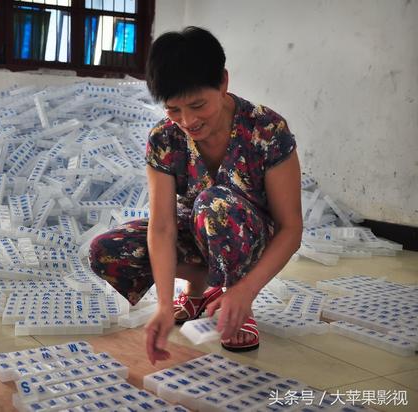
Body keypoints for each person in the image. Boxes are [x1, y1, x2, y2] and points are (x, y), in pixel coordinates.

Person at [89, 26, 302, 363]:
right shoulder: (164, 138)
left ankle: (236, 299)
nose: (188, 121)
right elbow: (162, 227)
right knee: (108, 250)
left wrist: (246, 290)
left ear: (223, 82)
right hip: (200, 228)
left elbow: (291, 228)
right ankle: (200, 289)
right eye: (173, 109)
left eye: (198, 105)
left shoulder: (266, 130)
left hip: (250, 237)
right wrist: (162, 305)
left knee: (213, 204)